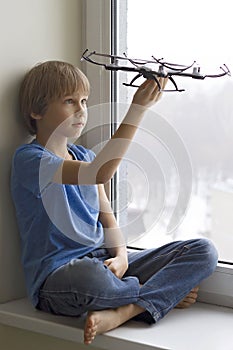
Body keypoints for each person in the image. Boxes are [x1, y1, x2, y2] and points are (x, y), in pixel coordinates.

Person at [11, 60, 218, 345]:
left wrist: (121, 256)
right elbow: (100, 172)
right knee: (89, 277)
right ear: (36, 111)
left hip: (106, 265)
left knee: (203, 250)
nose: (81, 110)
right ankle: (154, 297)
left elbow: (108, 220)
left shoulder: (83, 155)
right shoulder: (30, 160)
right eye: (69, 101)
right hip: (60, 279)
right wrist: (138, 109)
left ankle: (126, 310)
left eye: (84, 101)